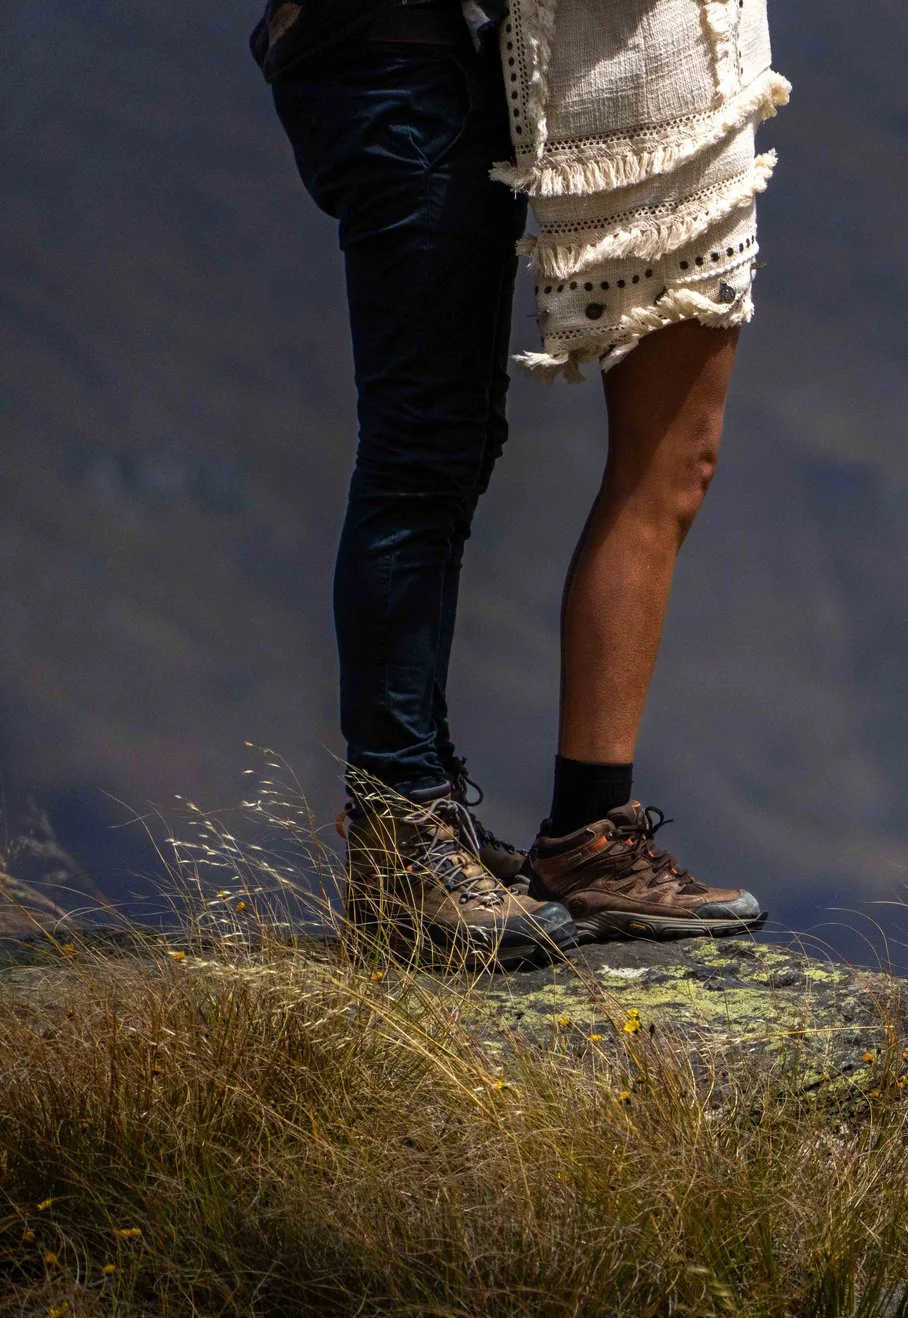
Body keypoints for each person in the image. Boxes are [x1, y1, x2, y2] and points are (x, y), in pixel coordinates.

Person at [255, 0, 787, 965]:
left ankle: (487, 827)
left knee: (450, 444)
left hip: (440, 52)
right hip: (390, 46)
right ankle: (401, 839)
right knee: (423, 449)